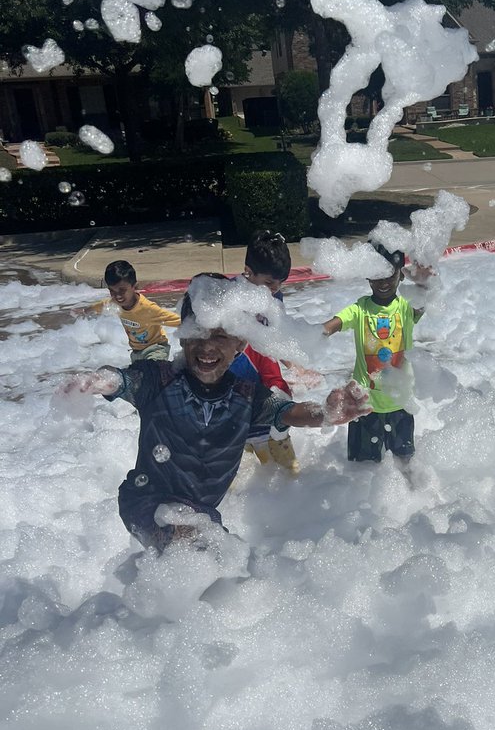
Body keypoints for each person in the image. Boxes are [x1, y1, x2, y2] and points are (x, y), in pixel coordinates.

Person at [60, 273, 369, 551]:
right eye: (198, 335)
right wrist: (98, 381)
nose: (207, 347)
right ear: (183, 336)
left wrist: (325, 414)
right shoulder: (159, 380)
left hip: (200, 513)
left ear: (240, 344)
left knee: (223, 570)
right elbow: (124, 380)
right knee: (192, 553)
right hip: (148, 502)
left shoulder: (245, 396)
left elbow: (286, 412)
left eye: (220, 337)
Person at [322, 242, 425, 468]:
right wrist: (317, 334)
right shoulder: (360, 310)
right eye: (376, 276)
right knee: (362, 467)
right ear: (367, 277)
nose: (384, 282)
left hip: (400, 401)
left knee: (405, 464)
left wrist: (424, 281)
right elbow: (333, 324)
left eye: (390, 275)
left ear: (401, 276)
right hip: (364, 402)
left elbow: (424, 299)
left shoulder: (406, 308)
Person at [229, 229, 301, 476]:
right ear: (248, 272)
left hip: (265, 367)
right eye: (270, 282)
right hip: (237, 371)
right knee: (240, 417)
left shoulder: (273, 293)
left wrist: (293, 362)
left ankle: (277, 445)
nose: (276, 289)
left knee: (280, 402)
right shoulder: (229, 297)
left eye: (281, 282)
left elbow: (275, 333)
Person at [100, 259, 181, 361]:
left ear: (135, 287)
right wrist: (86, 310)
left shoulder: (147, 308)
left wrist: (200, 326)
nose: (117, 295)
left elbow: (176, 320)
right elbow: (102, 305)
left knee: (152, 371)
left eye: (122, 290)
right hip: (136, 351)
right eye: (112, 291)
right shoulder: (117, 303)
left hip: (156, 349)